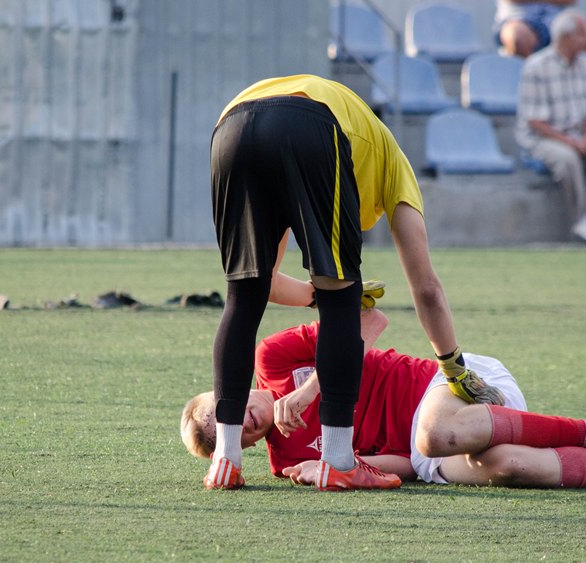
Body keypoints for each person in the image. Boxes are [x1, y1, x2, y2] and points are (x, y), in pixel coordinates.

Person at [207, 75, 504, 491]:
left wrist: (311, 296)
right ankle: (339, 460)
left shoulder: (354, 143)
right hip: (312, 124)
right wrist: (454, 368)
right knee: (340, 295)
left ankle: (225, 459)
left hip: (230, 125)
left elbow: (269, 284)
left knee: (243, 295)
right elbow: (427, 289)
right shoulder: (394, 166)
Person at [182, 308, 586, 491]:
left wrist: (311, 387)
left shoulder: (276, 358)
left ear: (226, 390)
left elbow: (370, 320)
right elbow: (405, 470)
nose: (246, 422)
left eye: (227, 410)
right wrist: (343, 466)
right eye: (238, 433)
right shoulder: (287, 462)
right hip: (430, 451)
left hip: (446, 385)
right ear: (244, 445)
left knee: (433, 432)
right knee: (508, 466)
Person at [515, 10, 586, 244]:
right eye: (582, 34)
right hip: (542, 138)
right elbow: (534, 121)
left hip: (580, 136)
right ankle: (582, 219)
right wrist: (571, 142)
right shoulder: (536, 66)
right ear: (566, 37)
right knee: (568, 159)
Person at [494, 0, 586, 58]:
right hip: (520, 20)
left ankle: (583, 88)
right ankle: (528, 84)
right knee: (518, 36)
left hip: (562, 20)